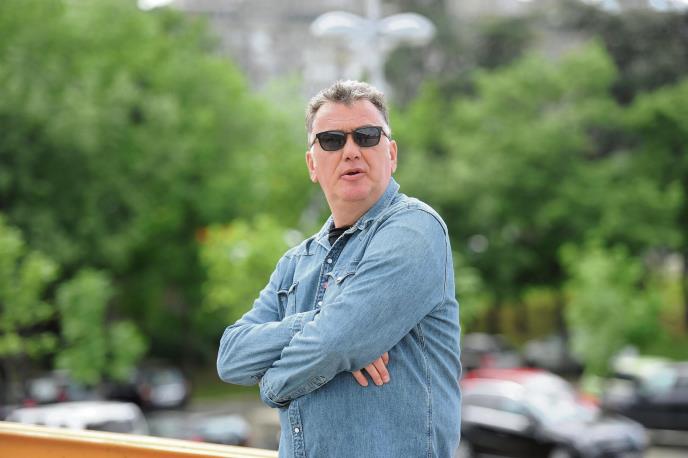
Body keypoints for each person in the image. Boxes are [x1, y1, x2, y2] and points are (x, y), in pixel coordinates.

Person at [217, 80, 461, 458]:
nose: (351, 151)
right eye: (331, 140)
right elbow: (231, 357)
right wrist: (320, 323)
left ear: (391, 153)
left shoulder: (415, 230)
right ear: (312, 164)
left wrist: (271, 385)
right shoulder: (296, 262)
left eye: (366, 136)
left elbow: (334, 344)